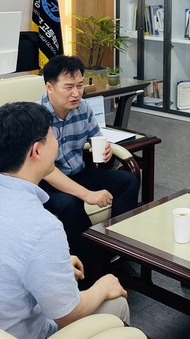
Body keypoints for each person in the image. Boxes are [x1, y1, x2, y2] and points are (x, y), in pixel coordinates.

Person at [0, 102, 130, 339]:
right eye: (53, 136)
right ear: (37, 151)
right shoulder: (43, 228)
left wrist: (52, 265)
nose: (56, 142)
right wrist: (103, 287)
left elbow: (2, 255)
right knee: (116, 302)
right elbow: (69, 315)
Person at [39, 55, 139, 267]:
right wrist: (87, 194)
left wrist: (104, 150)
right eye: (68, 87)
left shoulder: (83, 108)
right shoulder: (36, 117)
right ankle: (90, 265)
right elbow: (45, 169)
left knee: (127, 181)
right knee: (70, 204)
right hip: (48, 182)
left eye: (80, 85)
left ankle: (117, 249)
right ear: (50, 87)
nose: (76, 93)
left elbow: (96, 139)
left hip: (79, 172)